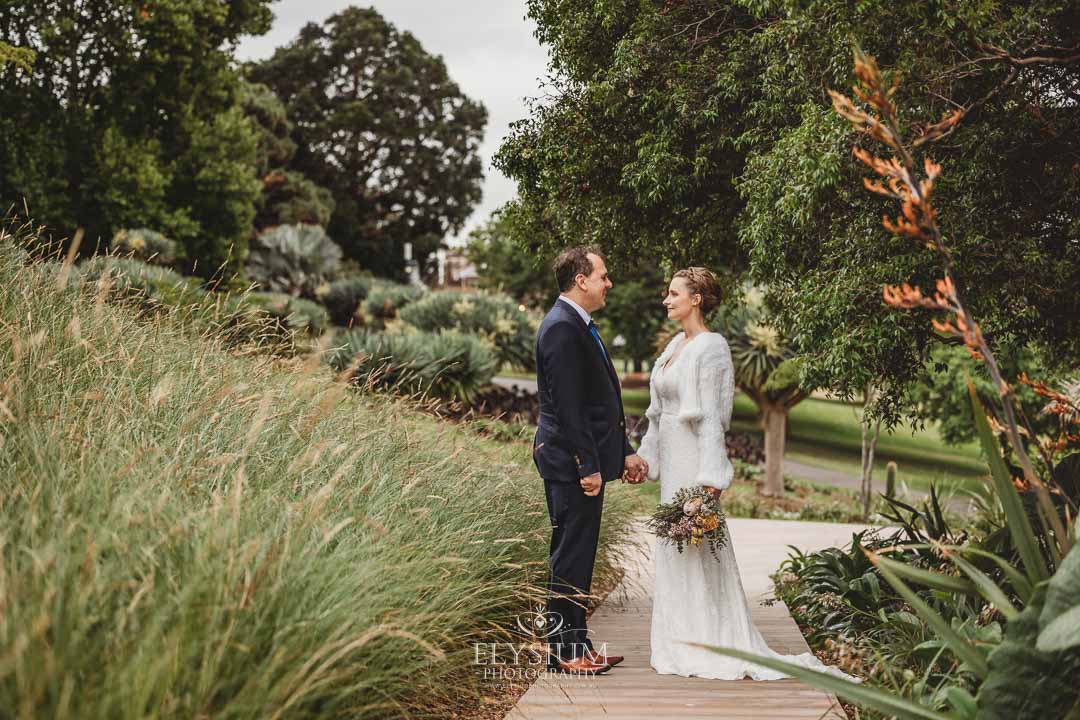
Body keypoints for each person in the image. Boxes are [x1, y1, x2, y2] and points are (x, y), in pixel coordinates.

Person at [637, 267, 855, 681]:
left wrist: (711, 481)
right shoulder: (674, 346)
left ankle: (709, 642)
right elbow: (656, 414)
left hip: (695, 462)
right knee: (674, 547)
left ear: (696, 299)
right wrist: (646, 458)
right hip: (672, 461)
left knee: (699, 547)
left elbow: (713, 419)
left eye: (673, 293)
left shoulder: (712, 347)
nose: (666, 299)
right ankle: (676, 640)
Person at [532, 246, 649, 674]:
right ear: (581, 280)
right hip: (569, 464)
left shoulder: (576, 324)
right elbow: (569, 409)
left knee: (579, 557)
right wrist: (587, 465)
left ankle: (577, 644)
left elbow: (599, 405)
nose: (608, 283)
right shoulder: (562, 328)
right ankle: (564, 653)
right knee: (570, 559)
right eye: (603, 275)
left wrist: (625, 452)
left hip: (578, 460)